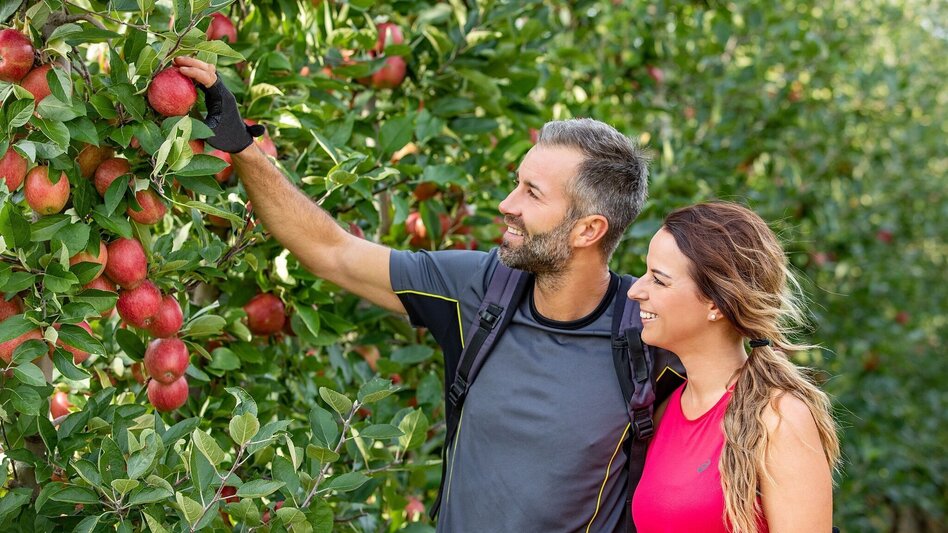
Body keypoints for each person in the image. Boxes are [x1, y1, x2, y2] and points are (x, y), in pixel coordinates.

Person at [174, 55, 681, 531]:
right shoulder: (480, 292)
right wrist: (243, 147)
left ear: (587, 230)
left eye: (532, 193)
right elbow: (334, 252)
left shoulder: (650, 336)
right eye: (516, 183)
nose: (507, 204)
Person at [627, 202, 840, 533]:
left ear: (715, 302)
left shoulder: (779, 420)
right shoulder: (664, 407)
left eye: (659, 280)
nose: (635, 290)